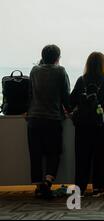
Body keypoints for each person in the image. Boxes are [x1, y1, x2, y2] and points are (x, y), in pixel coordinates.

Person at [69, 52, 104, 197]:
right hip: (101, 125)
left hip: (83, 125)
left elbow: (71, 101)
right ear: (103, 64)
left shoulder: (81, 80)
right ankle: (98, 188)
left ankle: (80, 189)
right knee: (100, 156)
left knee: (82, 157)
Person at [27, 44, 71, 199]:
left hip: (34, 118)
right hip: (52, 118)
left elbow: (30, 93)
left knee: (36, 153)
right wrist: (70, 111)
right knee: (54, 152)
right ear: (57, 58)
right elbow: (66, 95)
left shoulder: (34, 71)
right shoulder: (60, 71)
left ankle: (39, 186)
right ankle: (47, 183)